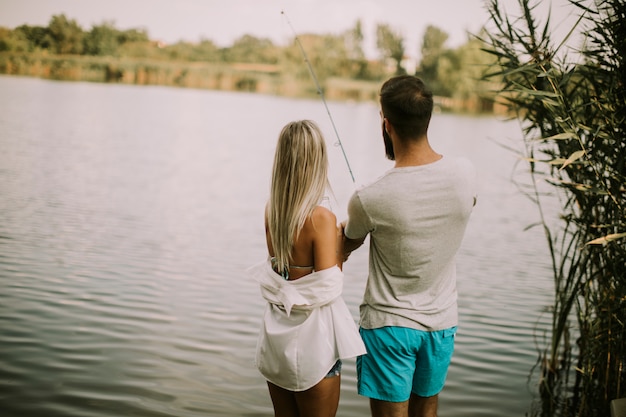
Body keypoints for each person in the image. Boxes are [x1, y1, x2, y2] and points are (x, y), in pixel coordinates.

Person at [341, 75, 477, 417]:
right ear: (428, 118)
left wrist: (344, 225)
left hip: (389, 327)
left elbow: (345, 246)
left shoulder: (369, 197)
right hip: (441, 325)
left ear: (386, 124)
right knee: (427, 409)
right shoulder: (465, 173)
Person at [250, 120, 366, 417]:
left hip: (276, 340)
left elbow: (286, 275)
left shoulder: (271, 210)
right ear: (318, 161)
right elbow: (329, 286)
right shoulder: (322, 219)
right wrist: (343, 243)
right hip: (314, 344)